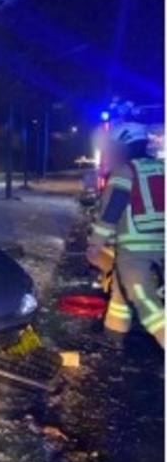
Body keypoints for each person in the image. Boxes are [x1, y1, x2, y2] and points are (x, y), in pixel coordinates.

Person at [87, 120, 164, 347]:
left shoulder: (125, 171)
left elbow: (112, 211)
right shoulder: (163, 167)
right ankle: (114, 333)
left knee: (145, 301)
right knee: (121, 290)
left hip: (135, 248)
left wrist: (95, 244)